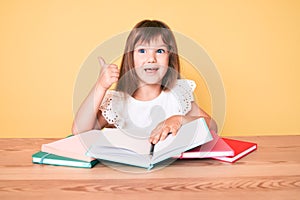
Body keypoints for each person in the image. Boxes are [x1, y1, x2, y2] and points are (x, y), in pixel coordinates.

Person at [72, 19, 217, 144]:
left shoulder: (177, 94)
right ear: (131, 57)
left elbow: (212, 126)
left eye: (159, 51)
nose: (151, 59)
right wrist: (100, 86)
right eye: (142, 51)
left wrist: (180, 119)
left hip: (172, 172)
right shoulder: (117, 102)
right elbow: (79, 132)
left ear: (169, 57)